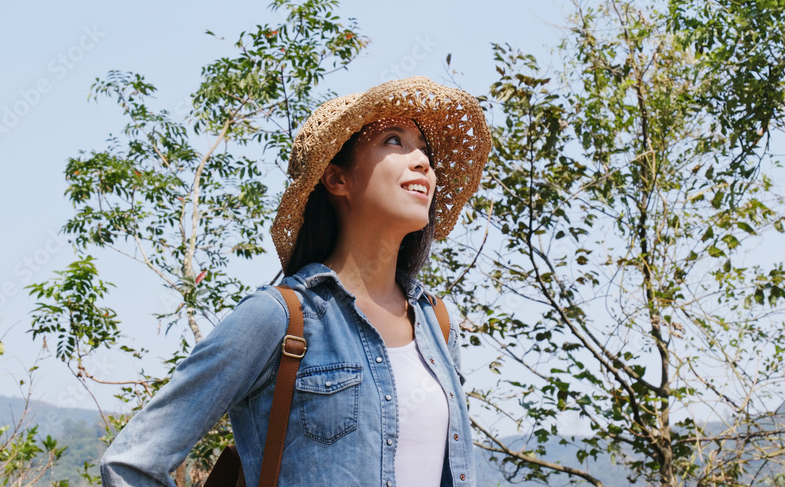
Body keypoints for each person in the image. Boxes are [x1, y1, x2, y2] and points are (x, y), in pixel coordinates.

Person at [99, 76, 492, 487]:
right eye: (394, 141)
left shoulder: (437, 323)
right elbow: (132, 462)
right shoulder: (279, 317)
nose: (422, 162)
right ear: (337, 179)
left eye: (424, 149)